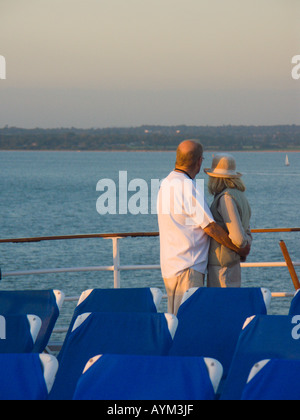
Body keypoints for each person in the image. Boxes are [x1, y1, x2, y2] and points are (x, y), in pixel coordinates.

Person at [157, 140, 250, 314]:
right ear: (199, 161)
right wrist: (239, 249)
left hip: (172, 265)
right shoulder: (187, 187)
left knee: (176, 318)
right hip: (188, 267)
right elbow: (210, 227)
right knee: (187, 321)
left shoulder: (167, 183)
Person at [204, 153, 252, 288]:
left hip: (222, 266)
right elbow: (246, 231)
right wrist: (246, 245)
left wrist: (241, 246)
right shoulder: (239, 195)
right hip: (233, 263)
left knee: (221, 305)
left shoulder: (225, 198)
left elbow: (238, 238)